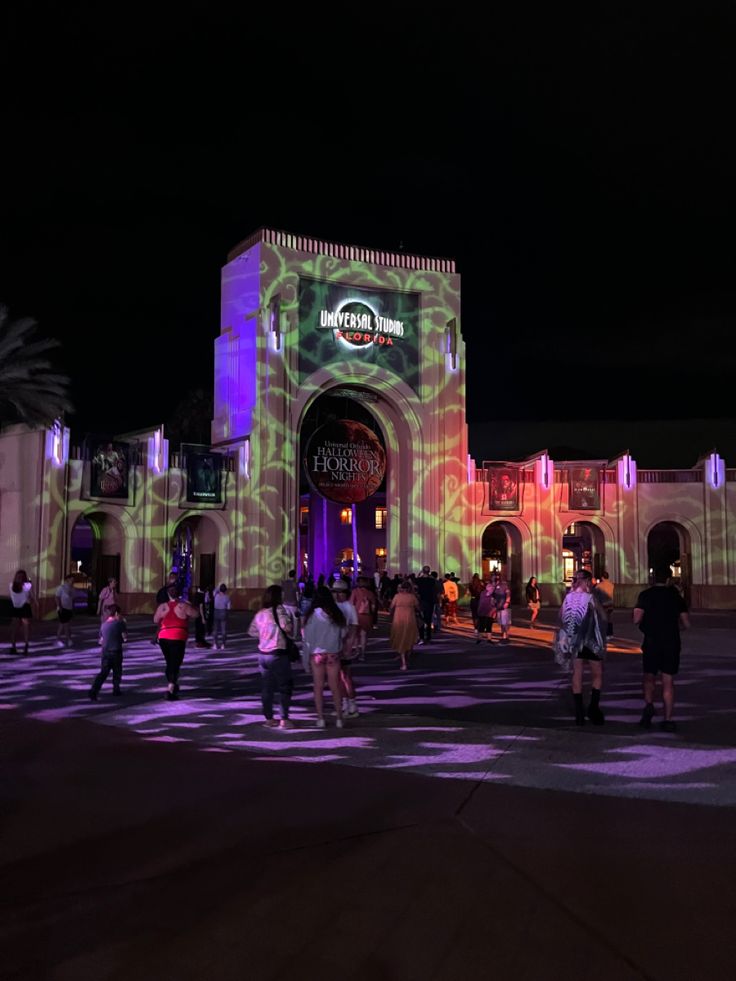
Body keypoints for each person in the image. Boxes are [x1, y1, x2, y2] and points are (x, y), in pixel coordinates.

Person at [633, 564, 690, 732]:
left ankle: (649, 706)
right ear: (668, 579)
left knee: (649, 676)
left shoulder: (645, 595)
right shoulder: (676, 597)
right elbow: (686, 623)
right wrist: (676, 627)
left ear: (653, 578)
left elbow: (636, 619)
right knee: (668, 680)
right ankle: (668, 719)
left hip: (651, 641)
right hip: (671, 642)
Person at [554, 569, 608, 725]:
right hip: (590, 641)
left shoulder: (568, 598)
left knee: (577, 673)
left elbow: (562, 617)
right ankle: (593, 707)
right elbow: (603, 617)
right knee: (597, 673)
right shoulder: (590, 598)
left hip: (574, 642)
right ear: (587, 581)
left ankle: (579, 713)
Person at [248, 584, 297, 729]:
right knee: (284, 686)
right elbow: (287, 628)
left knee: (267, 687)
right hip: (277, 653)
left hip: (263, 654)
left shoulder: (260, 613)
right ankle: (284, 718)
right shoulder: (280, 611)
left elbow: (252, 631)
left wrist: (264, 635)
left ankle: (268, 718)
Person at [302, 586, 347, 728]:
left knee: (318, 687)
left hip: (316, 654)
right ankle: (339, 718)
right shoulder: (336, 613)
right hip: (333, 653)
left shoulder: (311, 615)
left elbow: (306, 639)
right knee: (335, 686)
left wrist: (305, 660)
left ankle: (320, 718)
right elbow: (343, 633)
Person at [153, 585, 200, 700]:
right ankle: (171, 687)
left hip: (164, 637)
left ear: (168, 594)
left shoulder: (163, 606)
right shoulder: (183, 606)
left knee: (169, 661)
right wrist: (190, 604)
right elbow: (196, 614)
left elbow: (155, 620)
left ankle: (172, 683)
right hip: (178, 636)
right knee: (176, 662)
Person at [331, 579, 360, 719]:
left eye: (341, 592)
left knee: (346, 677)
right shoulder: (333, 606)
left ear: (346, 593)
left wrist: (349, 646)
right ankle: (344, 705)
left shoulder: (349, 607)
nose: (337, 594)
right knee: (337, 678)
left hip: (344, 645)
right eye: (334, 591)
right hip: (333, 645)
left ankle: (352, 705)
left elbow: (354, 628)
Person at [89, 605, 128, 701]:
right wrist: (124, 625)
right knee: (117, 671)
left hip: (105, 652)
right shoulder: (120, 623)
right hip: (116, 651)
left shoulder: (104, 625)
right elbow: (125, 638)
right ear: (116, 613)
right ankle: (116, 689)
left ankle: (94, 690)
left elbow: (101, 641)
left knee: (103, 673)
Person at [389, 581, 420, 670]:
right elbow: (418, 607)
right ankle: (407, 655)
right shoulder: (412, 597)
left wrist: (390, 614)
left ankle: (403, 662)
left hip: (398, 618)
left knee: (400, 638)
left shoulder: (397, 596)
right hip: (410, 618)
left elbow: (391, 607)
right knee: (409, 637)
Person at [9, 570, 35, 655]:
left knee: (14, 628)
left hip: (15, 607)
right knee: (26, 628)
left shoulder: (11, 585)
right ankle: (26, 646)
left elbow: (13, 596)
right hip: (25, 607)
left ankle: (13, 647)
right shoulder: (27, 586)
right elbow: (31, 596)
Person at [350, 575, 376, 660]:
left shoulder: (355, 592)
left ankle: (357, 650)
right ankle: (363, 653)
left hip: (356, 615)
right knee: (363, 635)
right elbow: (373, 607)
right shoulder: (370, 593)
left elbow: (351, 604)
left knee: (356, 635)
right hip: (367, 616)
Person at [151, 573, 178, 645]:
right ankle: (158, 638)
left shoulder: (167, 588)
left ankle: (157, 638)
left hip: (165, 607)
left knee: (162, 624)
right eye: (174, 578)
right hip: (165, 608)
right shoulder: (168, 589)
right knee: (162, 624)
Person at [415, 565, 437, 644]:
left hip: (421, 601)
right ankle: (428, 636)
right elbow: (435, 586)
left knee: (421, 620)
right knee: (428, 620)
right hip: (430, 601)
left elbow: (415, 583)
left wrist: (419, 573)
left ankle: (421, 637)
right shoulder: (432, 581)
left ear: (423, 571)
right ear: (429, 572)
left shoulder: (419, 580)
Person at [55, 574, 76, 647]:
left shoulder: (73, 589)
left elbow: (72, 599)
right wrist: (59, 606)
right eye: (71, 580)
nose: (72, 581)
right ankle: (69, 639)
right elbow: (57, 597)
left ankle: (58, 640)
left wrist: (73, 608)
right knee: (66, 624)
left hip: (69, 608)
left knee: (62, 625)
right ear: (67, 580)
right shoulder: (61, 588)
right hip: (62, 608)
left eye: (73, 580)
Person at [490, 572, 512, 642]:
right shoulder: (494, 586)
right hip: (498, 606)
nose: (492, 579)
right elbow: (493, 596)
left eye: (493, 577)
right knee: (501, 622)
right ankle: (505, 635)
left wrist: (507, 602)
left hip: (504, 606)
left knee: (504, 622)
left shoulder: (504, 585)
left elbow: (508, 594)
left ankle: (505, 636)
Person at [475, 579, 496, 644]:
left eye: (492, 588)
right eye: (490, 587)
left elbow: (494, 604)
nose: (492, 589)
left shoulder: (493, 595)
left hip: (490, 613)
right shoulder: (483, 593)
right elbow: (482, 602)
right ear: (487, 588)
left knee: (489, 626)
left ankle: (489, 639)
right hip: (482, 612)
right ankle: (479, 639)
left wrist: (494, 613)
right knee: (481, 626)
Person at [594, 571, 615, 637]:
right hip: (610, 604)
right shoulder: (611, 584)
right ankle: (610, 633)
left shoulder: (599, 585)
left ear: (602, 577)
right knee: (609, 619)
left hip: (603, 604)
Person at [213, 583, 232, 650]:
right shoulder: (227, 597)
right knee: (223, 630)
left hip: (216, 611)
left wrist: (218, 587)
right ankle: (223, 644)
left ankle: (215, 644)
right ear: (225, 590)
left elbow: (215, 590)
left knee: (215, 629)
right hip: (223, 612)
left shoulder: (215, 595)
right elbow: (229, 608)